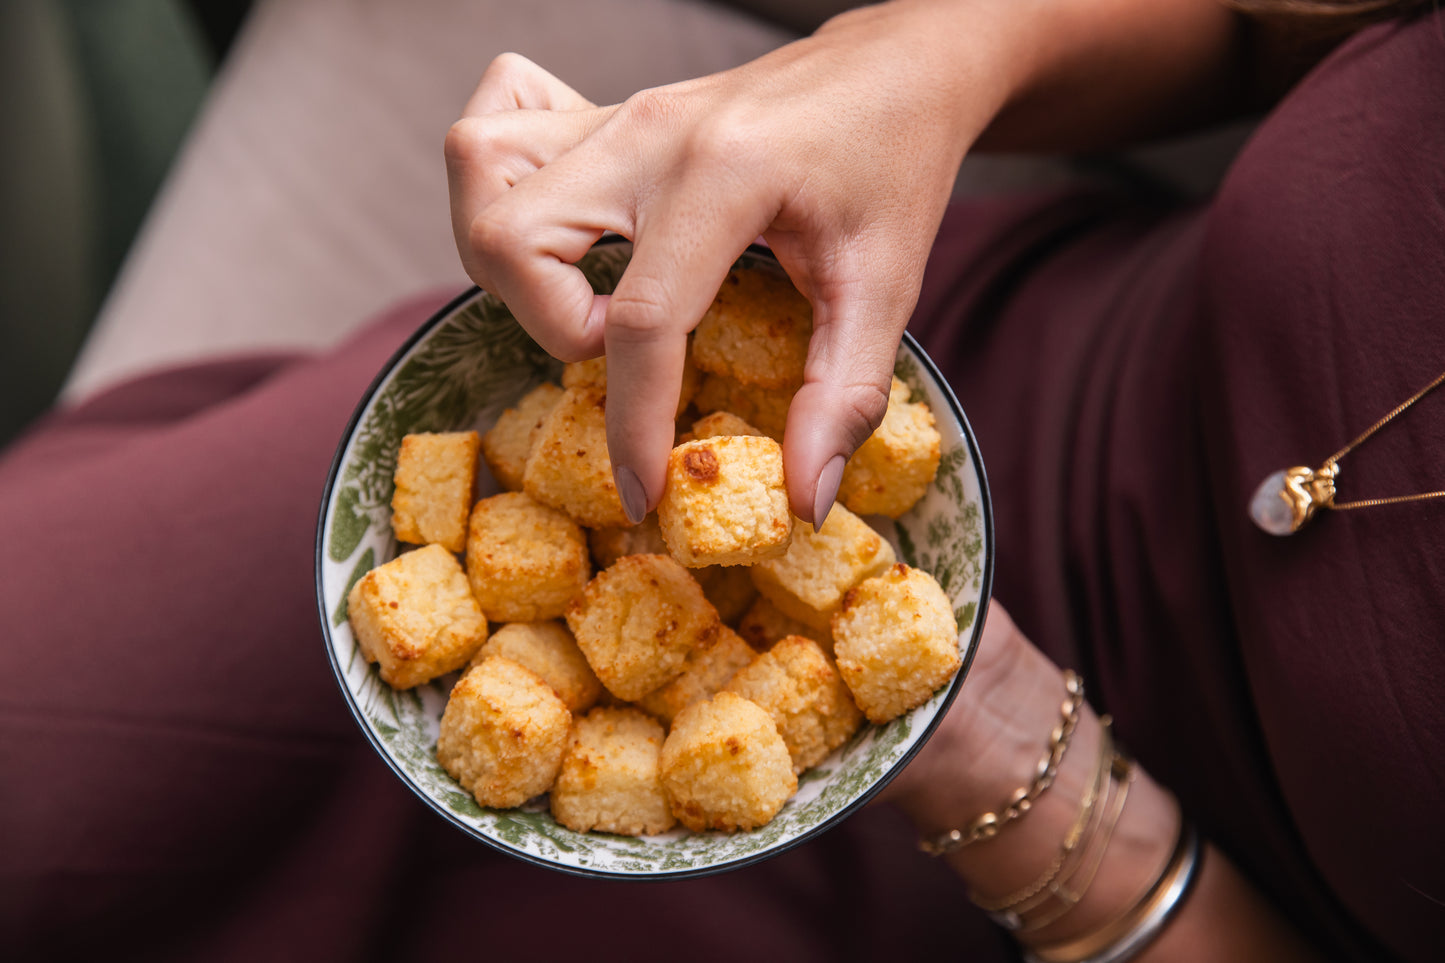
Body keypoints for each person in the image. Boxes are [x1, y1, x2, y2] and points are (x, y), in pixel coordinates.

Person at [2, 1, 1440, 961]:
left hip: (1076, 874)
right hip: (894, 368)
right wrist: (904, 61)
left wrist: (1046, 810)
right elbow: (1270, 20)